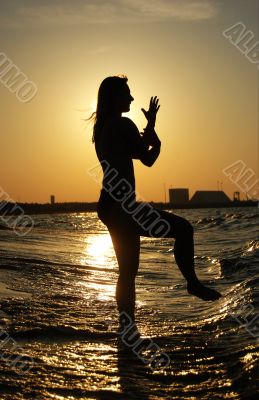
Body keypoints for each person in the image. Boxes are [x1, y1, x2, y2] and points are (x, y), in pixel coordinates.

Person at [90, 75, 221, 328]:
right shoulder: (123, 124)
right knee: (184, 229)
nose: (131, 98)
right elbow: (148, 157)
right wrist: (156, 137)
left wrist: (149, 127)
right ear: (114, 97)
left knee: (127, 272)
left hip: (108, 206)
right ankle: (192, 283)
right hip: (124, 208)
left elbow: (137, 149)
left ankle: (126, 329)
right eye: (126, 93)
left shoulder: (103, 128)